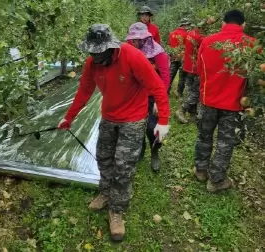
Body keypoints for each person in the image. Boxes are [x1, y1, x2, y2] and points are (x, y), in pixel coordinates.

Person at [58, 24, 170, 241]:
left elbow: (157, 87)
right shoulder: (93, 63)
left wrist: (163, 120)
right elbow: (84, 91)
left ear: (111, 47)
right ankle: (106, 192)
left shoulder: (132, 57)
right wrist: (69, 117)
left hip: (133, 119)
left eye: (99, 52)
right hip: (109, 117)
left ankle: (116, 210)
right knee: (104, 158)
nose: (96, 56)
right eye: (92, 52)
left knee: (123, 165)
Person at [194, 10, 256, 192]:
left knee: (204, 136)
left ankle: (200, 170)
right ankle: (216, 180)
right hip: (234, 103)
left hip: (208, 100)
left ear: (223, 23)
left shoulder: (207, 41)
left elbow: (199, 70)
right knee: (224, 143)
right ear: (243, 25)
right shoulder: (251, 45)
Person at [126, 22, 170, 172]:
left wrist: (159, 100)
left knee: (153, 127)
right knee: (136, 126)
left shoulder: (158, 53)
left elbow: (165, 76)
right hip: (136, 94)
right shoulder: (130, 49)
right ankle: (141, 149)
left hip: (152, 95)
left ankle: (155, 150)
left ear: (146, 38)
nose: (135, 42)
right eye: (133, 39)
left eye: (138, 39)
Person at [176, 23, 204, 124]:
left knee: (192, 89)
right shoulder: (200, 37)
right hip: (196, 68)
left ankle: (193, 114)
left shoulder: (190, 33)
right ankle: (182, 110)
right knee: (196, 92)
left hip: (189, 66)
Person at [168, 18, 191, 97]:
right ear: (184, 25)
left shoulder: (172, 33)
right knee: (182, 76)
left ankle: (166, 91)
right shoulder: (187, 35)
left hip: (173, 56)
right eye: (187, 25)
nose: (188, 27)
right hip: (182, 58)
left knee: (170, 75)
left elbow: (170, 45)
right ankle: (179, 93)